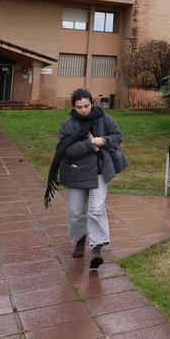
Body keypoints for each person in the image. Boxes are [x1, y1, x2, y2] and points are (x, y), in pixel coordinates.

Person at [44, 89, 126, 269]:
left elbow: (117, 137)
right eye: (79, 107)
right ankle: (80, 239)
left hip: (99, 172)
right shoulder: (68, 125)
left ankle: (97, 246)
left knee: (96, 209)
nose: (83, 110)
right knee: (76, 212)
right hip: (75, 174)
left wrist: (102, 140)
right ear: (73, 107)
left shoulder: (104, 118)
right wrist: (90, 144)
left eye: (87, 106)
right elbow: (68, 150)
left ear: (92, 103)